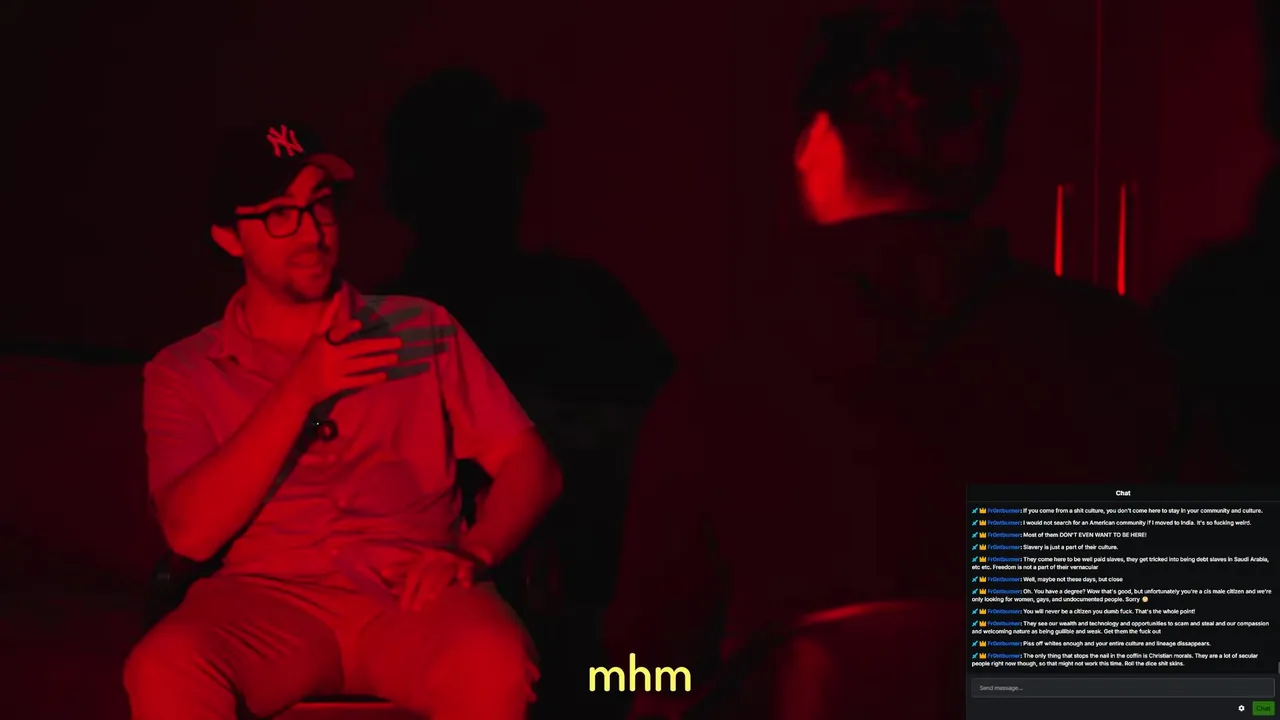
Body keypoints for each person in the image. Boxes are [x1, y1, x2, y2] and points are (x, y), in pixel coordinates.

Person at [605, 3, 1197, 718]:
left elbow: (647, 675)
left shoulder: (719, 390)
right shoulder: (1131, 356)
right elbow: (1208, 667)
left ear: (820, 143)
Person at [123, 119, 562, 720]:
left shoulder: (420, 328)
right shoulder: (184, 370)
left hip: (413, 599)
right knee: (165, 666)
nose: (311, 232)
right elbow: (190, 534)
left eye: (320, 205)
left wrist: (475, 553)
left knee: (495, 660)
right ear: (229, 237)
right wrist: (301, 388)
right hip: (263, 603)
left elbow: (531, 465)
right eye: (280, 213)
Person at [382, 69, 674, 717]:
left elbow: (675, 442)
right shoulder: (377, 335)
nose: (507, 179)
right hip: (460, 629)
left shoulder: (583, 302)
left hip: (599, 635)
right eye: (478, 163)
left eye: (503, 160)